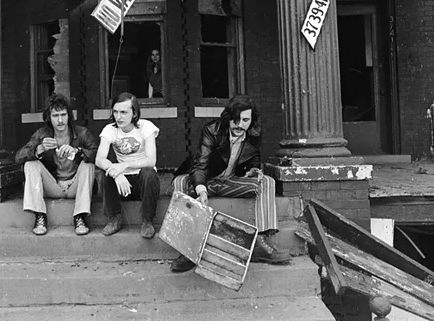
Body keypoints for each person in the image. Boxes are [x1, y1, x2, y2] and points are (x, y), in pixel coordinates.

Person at [170, 94, 291, 272]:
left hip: (231, 182)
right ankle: (188, 250)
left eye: (245, 120)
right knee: (180, 182)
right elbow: (200, 165)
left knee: (267, 182)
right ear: (228, 118)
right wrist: (201, 190)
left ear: (251, 120)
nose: (239, 125)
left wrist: (253, 170)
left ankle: (260, 243)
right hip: (207, 181)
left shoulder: (254, 133)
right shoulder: (212, 130)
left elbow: (254, 157)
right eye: (235, 120)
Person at [15, 93, 98, 236]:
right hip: (53, 186)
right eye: (55, 116)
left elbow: (98, 155)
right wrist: (39, 149)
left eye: (63, 115)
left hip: (75, 186)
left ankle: (80, 216)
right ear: (48, 117)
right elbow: (19, 157)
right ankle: (40, 215)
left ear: (69, 116)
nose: (60, 120)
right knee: (30, 164)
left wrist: (77, 152)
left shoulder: (82, 133)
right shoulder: (42, 134)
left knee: (88, 165)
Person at [95, 92, 160, 239]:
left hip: (143, 183)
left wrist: (123, 165)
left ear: (134, 113)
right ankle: (115, 218)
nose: (118, 117)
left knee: (148, 172)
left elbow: (151, 160)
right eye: (115, 112)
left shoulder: (146, 127)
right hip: (122, 184)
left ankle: (147, 221)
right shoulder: (110, 130)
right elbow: (99, 159)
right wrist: (116, 173)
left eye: (123, 112)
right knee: (105, 173)